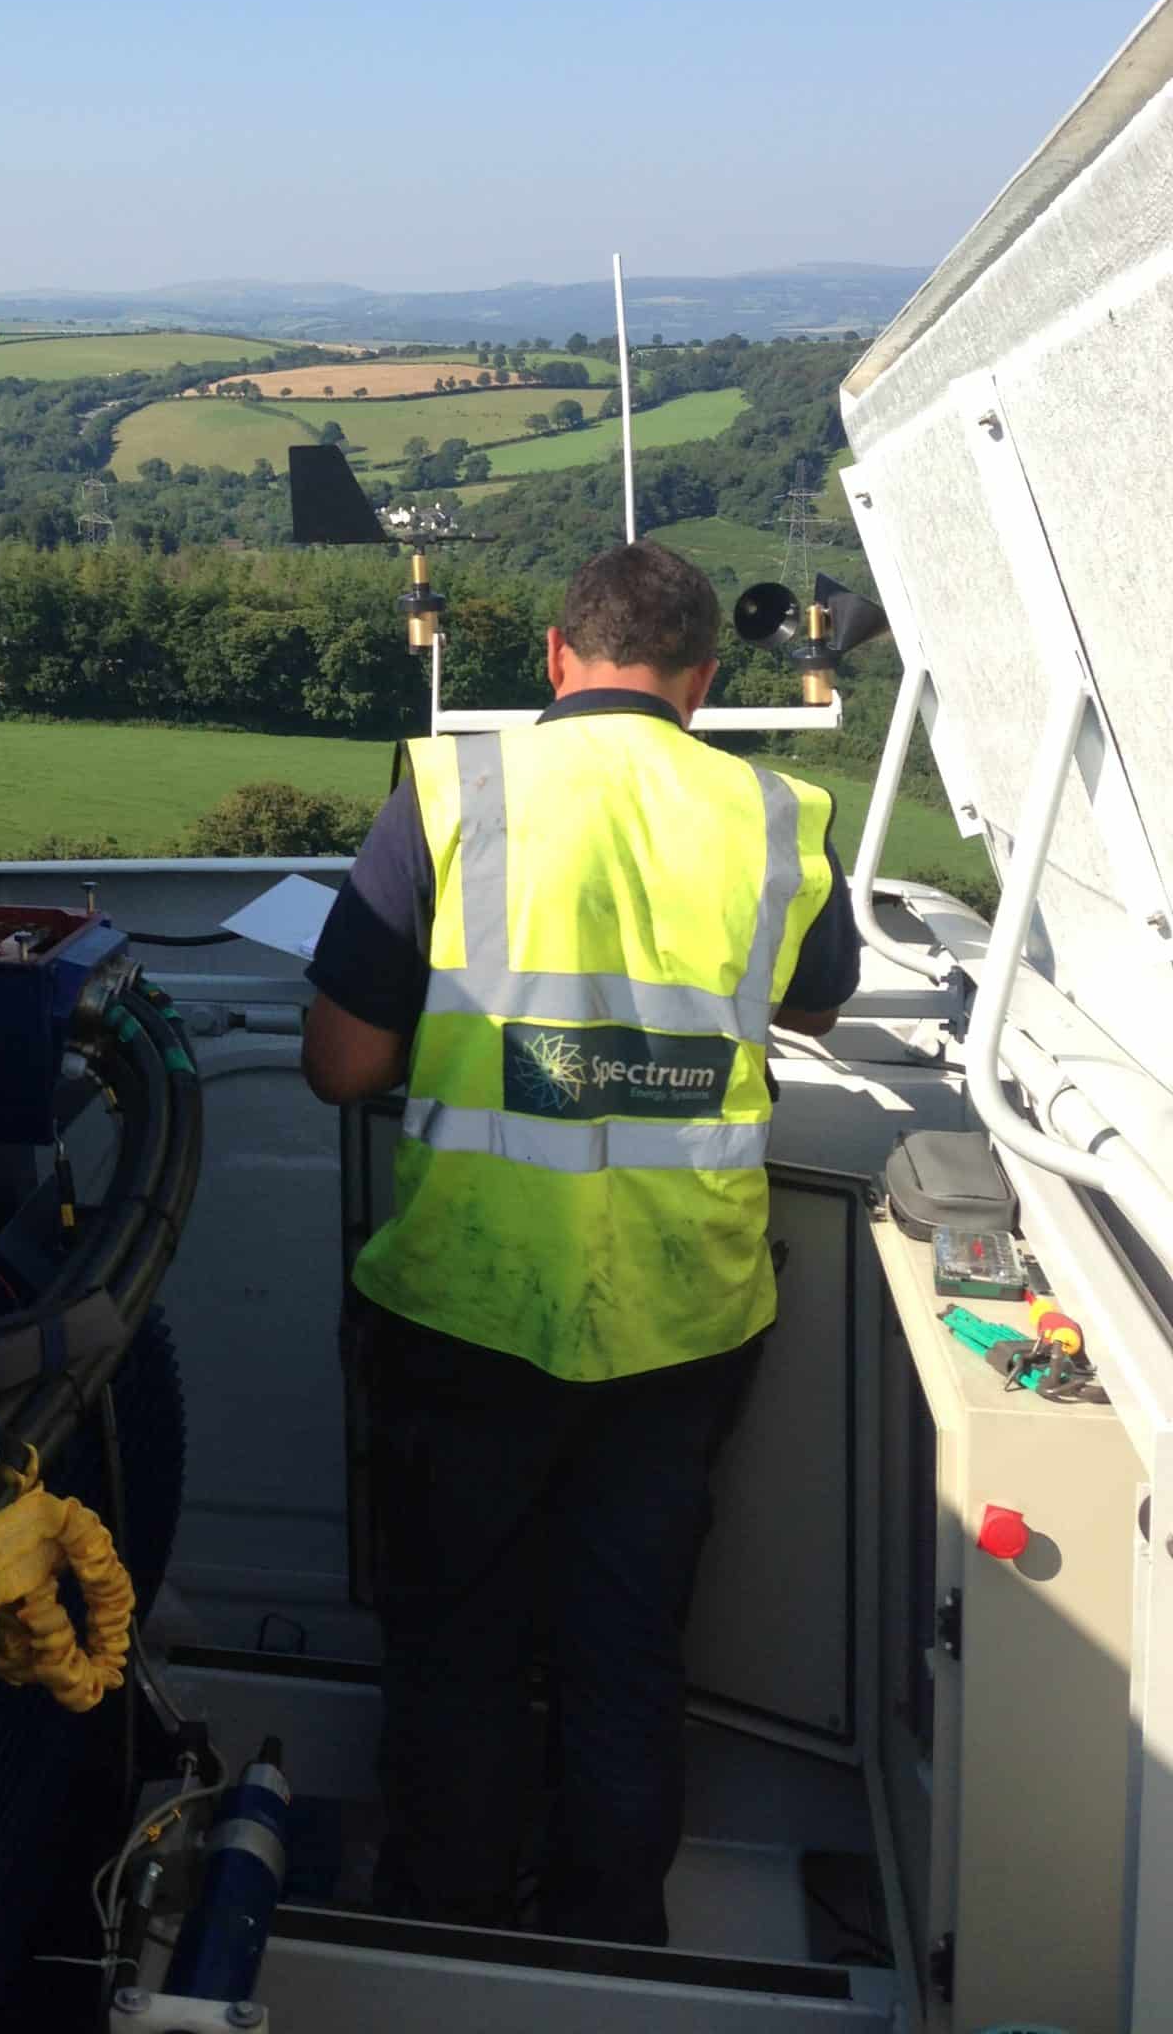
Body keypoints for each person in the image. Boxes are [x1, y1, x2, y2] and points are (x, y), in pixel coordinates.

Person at [301, 540, 859, 1947]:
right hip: (684, 1319)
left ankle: (448, 1919)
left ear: (554, 658)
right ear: (705, 682)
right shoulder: (778, 815)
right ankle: (616, 1933)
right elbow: (820, 1006)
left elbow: (340, 1067)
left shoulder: (450, 786)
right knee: (627, 1651)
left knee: (458, 1643)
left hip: (466, 1305)